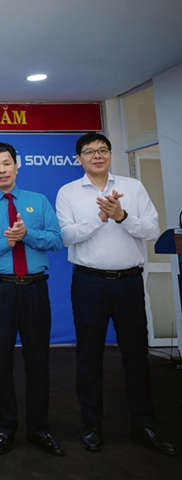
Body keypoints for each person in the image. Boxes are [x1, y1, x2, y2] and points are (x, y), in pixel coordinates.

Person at [55, 132, 178, 457]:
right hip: (89, 283)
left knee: (136, 356)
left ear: (110, 154)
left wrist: (122, 216)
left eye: (103, 150)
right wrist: (100, 218)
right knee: (89, 357)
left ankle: (143, 426)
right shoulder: (68, 192)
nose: (97, 155)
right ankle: (92, 426)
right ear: (78, 158)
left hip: (128, 283)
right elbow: (66, 236)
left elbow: (152, 230)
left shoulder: (133, 187)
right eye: (89, 151)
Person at [0, 142, 64, 456]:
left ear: (17, 166)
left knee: (38, 361)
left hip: (34, 289)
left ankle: (39, 429)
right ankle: (5, 429)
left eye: (7, 163)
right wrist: (3, 243)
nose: (2, 170)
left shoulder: (38, 201)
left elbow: (57, 240)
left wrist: (27, 235)